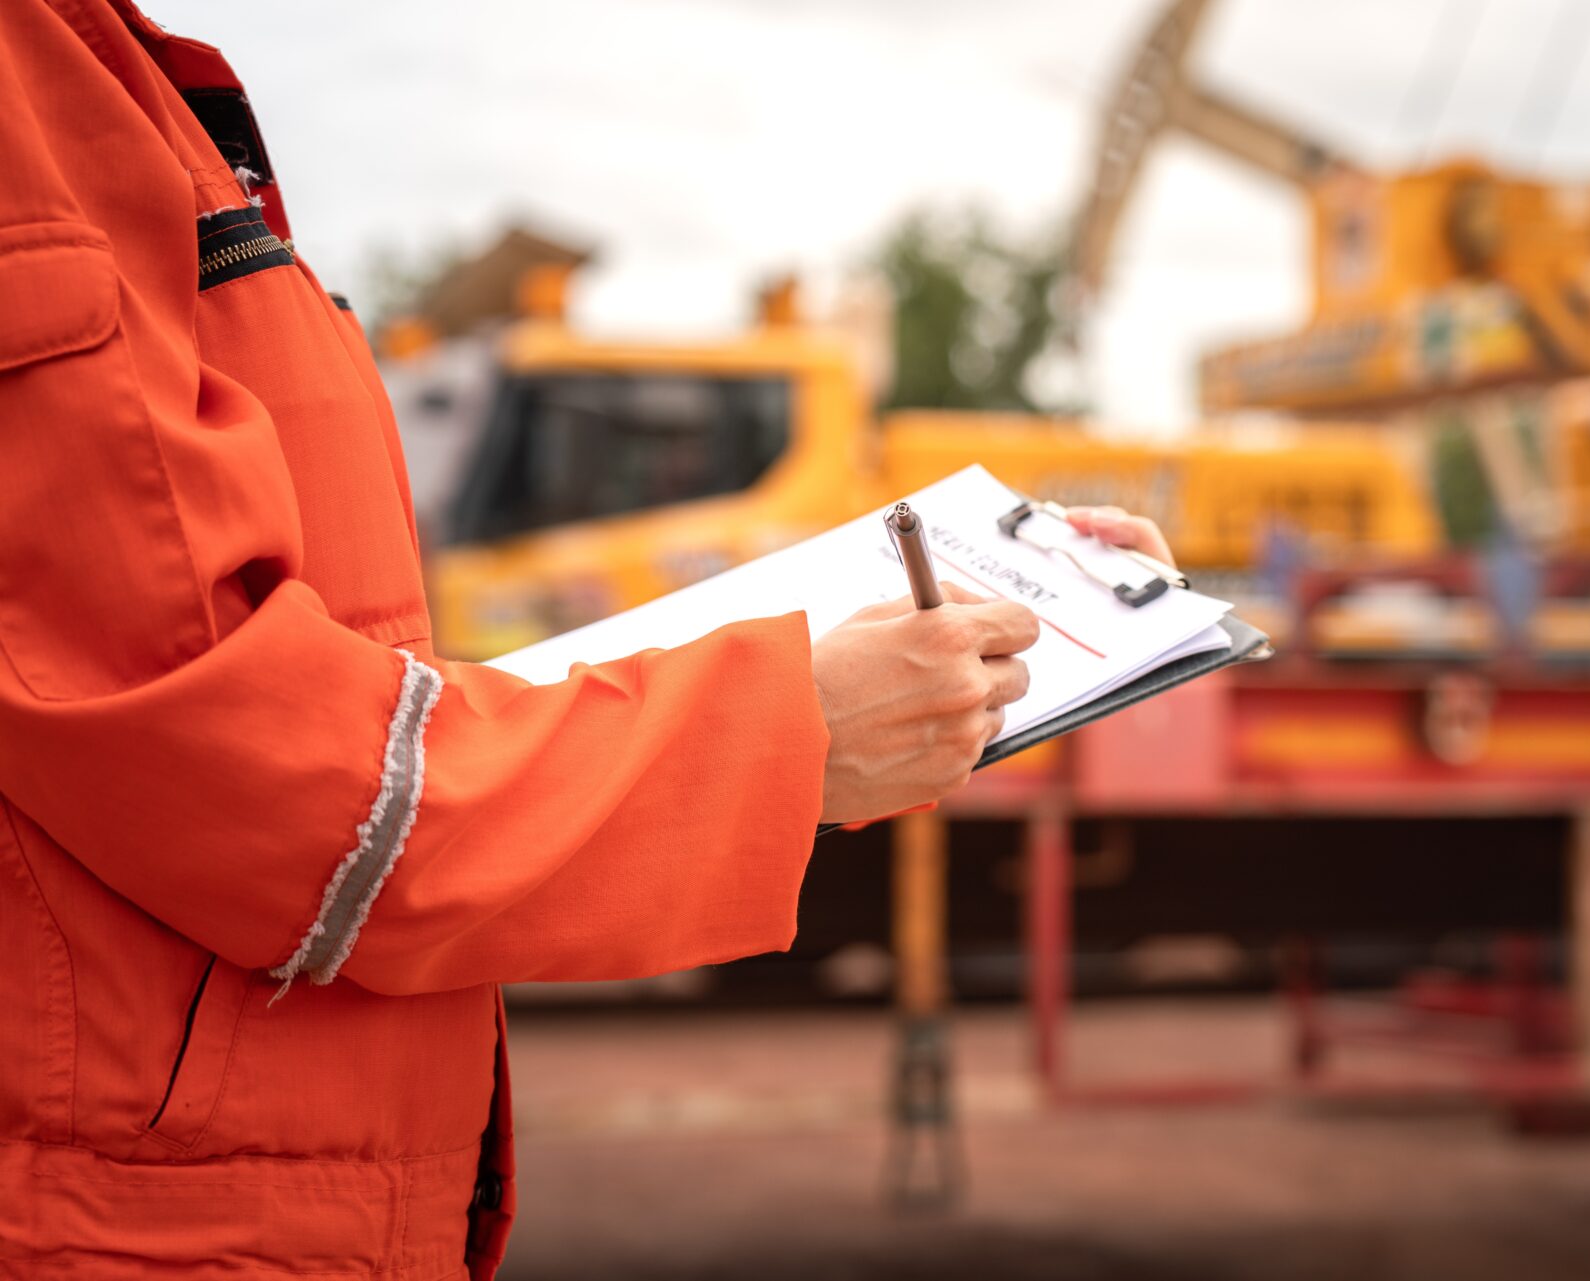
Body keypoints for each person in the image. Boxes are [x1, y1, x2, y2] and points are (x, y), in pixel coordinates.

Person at [0, 2, 1176, 1276]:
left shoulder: (104, 75)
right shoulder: (35, 90)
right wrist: (793, 731)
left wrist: (848, 659)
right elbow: (260, 770)